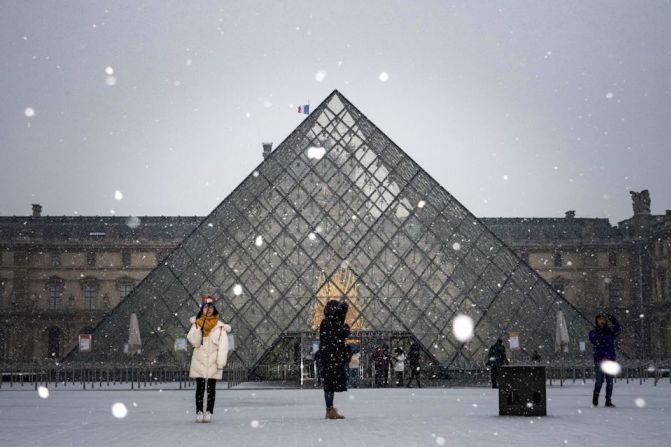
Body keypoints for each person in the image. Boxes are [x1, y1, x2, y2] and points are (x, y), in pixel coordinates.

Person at [187, 295, 231, 423]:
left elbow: (223, 347)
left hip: (213, 361)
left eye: (211, 307)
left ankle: (209, 411)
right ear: (202, 309)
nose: (208, 310)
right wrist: (198, 331)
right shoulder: (196, 324)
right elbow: (194, 342)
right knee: (200, 388)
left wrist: (221, 363)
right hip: (199, 360)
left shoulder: (220, 327)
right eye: (206, 307)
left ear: (214, 309)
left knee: (211, 389)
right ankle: (199, 411)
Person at [319, 300, 351, 419]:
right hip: (332, 358)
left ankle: (330, 409)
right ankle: (329, 410)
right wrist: (346, 327)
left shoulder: (326, 322)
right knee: (329, 385)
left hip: (328, 357)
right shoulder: (331, 323)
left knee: (329, 385)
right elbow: (342, 333)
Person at [589, 313, 621, 407]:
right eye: (599, 319)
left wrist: (614, 321)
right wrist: (604, 333)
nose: (602, 321)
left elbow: (618, 329)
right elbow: (596, 340)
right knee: (599, 381)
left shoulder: (610, 332)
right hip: (600, 360)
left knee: (610, 382)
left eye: (603, 319)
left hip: (610, 360)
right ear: (596, 321)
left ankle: (608, 400)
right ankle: (595, 398)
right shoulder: (593, 332)